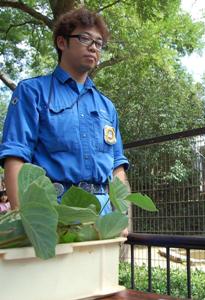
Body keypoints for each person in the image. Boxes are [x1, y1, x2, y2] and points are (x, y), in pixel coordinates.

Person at [0, 7, 129, 216]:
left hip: (103, 220)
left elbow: (117, 168)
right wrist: (25, 221)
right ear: (62, 42)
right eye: (85, 38)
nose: (94, 47)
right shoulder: (32, 93)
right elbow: (15, 157)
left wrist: (123, 220)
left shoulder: (107, 107)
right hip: (53, 214)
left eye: (98, 43)